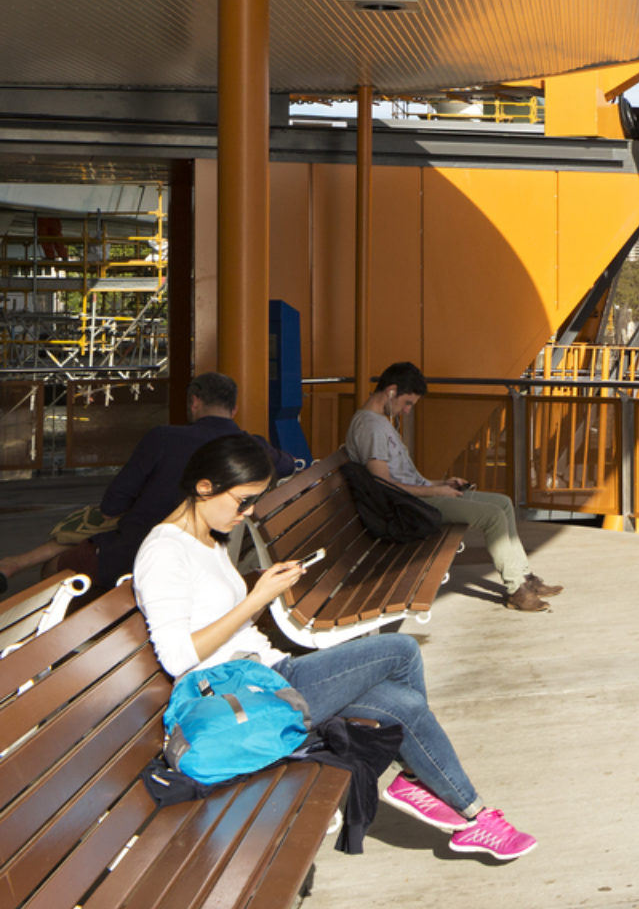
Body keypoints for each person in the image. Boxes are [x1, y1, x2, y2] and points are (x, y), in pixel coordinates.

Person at [131, 434, 536, 861]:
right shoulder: (165, 553)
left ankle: (473, 816)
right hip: (247, 696)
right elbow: (177, 657)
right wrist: (257, 598)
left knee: (404, 706)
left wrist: (263, 589)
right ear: (204, 487)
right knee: (400, 651)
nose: (247, 513)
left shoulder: (208, 539)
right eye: (243, 501)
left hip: (267, 674)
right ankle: (418, 782)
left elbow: (221, 622)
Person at [0, 372, 299, 593]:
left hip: (133, 554)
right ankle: (11, 564)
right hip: (205, 560)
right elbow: (288, 462)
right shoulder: (253, 448)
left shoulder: (163, 438)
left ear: (194, 403)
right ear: (234, 410)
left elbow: (111, 506)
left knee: (56, 567)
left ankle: (16, 575)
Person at [346, 362, 558, 613]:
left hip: (415, 497)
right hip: (407, 507)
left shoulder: (378, 422)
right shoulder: (370, 427)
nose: (407, 411)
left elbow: (402, 478)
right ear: (391, 391)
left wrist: (440, 483)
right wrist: (435, 492)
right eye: (407, 403)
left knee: (503, 502)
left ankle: (524, 576)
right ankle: (516, 590)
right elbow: (385, 486)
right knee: (492, 516)